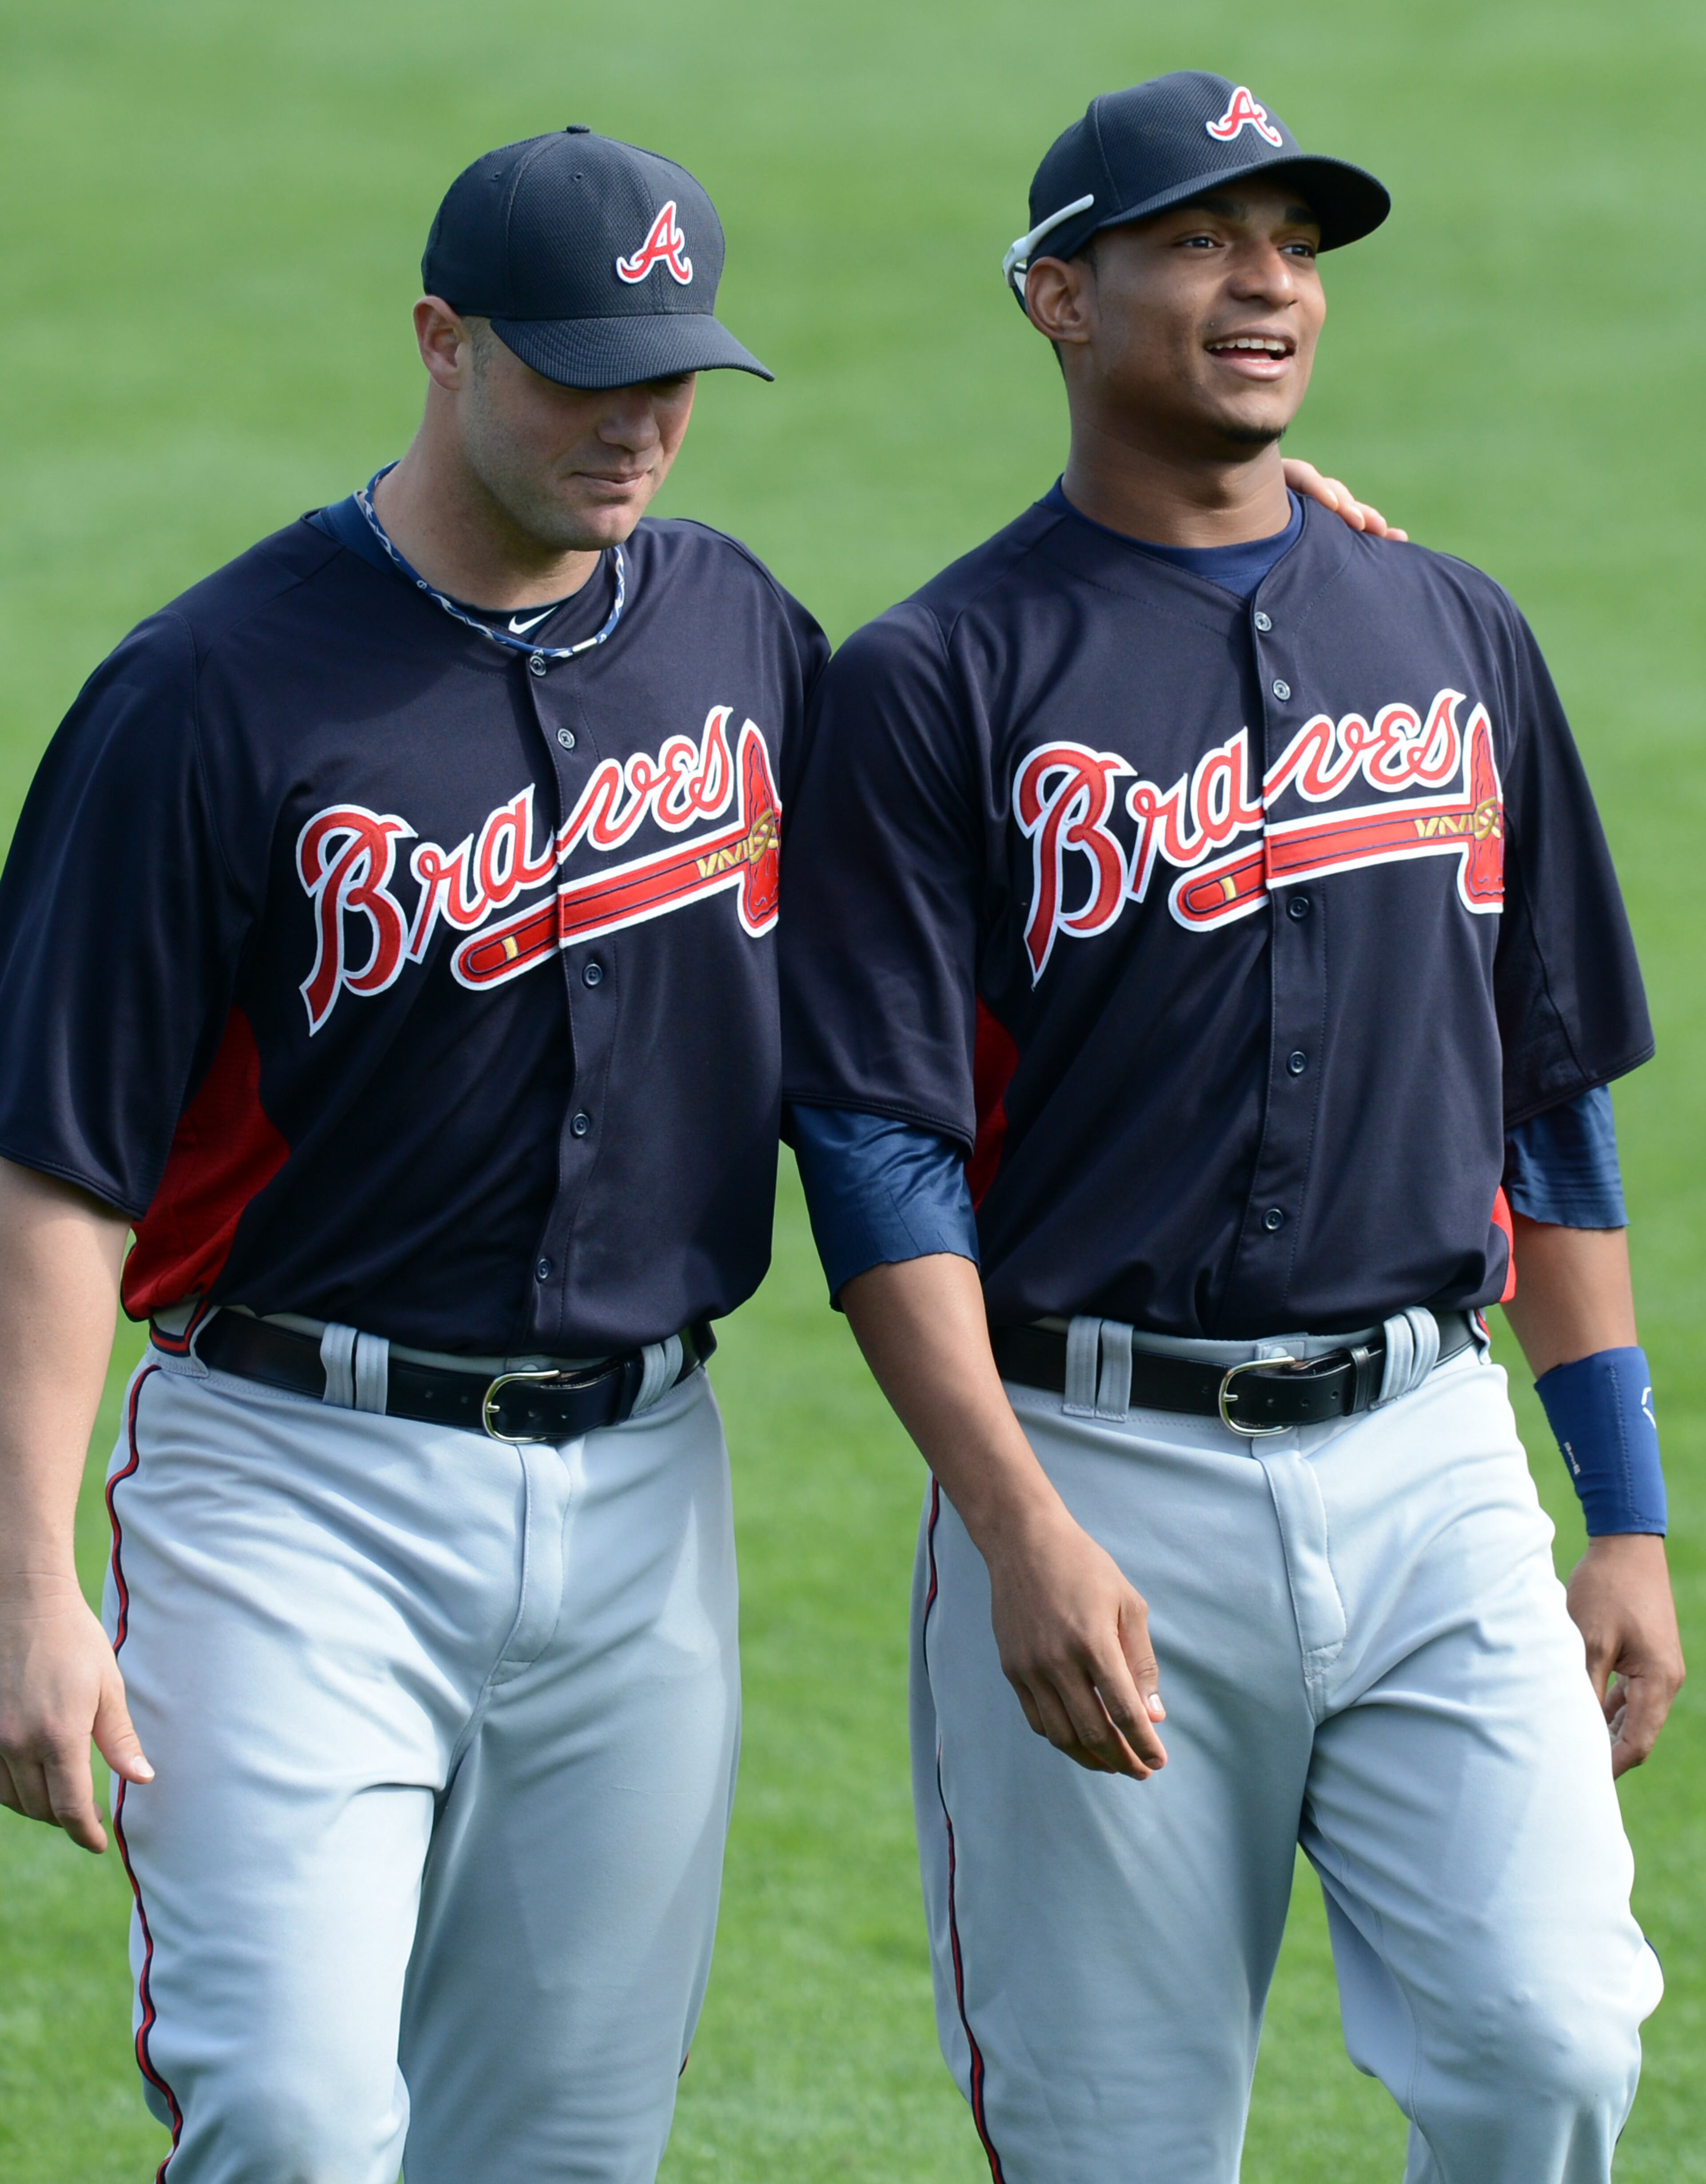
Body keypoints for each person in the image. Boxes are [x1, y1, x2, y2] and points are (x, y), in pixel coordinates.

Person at [779, 71, 1684, 2184]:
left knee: (1552, 2038)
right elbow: (877, 1147)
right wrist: (1015, 1522)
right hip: (1101, 1461)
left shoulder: (1451, 627)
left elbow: (1546, 1099)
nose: (1266, 282)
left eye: (1293, 244)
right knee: (1115, 2141)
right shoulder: (940, 678)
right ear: (1056, 299)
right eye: (1197, 239)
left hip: (1435, 1454)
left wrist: (1622, 1507)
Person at [0, 125, 827, 2183]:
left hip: (646, 1491)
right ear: (442, 344)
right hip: (295, 1487)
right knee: (287, 2110)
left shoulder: (740, 631)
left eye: (671, 378)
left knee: (563, 2144)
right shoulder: (203, 691)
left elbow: (999, 821)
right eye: (580, 372)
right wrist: (24, 1576)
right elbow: (55, 1165)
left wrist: (1273, 533)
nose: (636, 426)